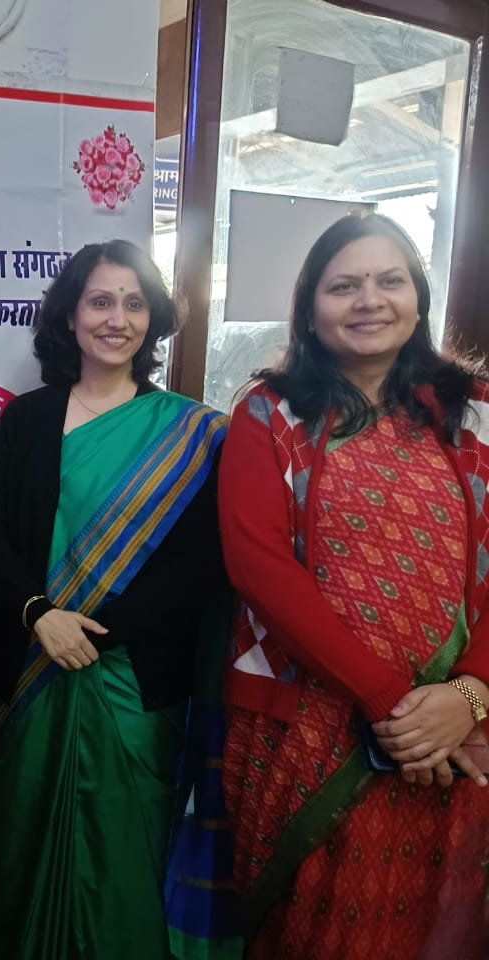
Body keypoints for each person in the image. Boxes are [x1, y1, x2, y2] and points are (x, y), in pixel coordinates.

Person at [219, 213, 489, 959]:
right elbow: (258, 567)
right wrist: (395, 709)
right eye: (344, 286)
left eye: (388, 281)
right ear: (310, 308)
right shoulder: (270, 415)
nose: (368, 300)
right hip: (307, 724)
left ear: (418, 297)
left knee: (437, 924)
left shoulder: (476, 413)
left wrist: (467, 696)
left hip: (457, 730)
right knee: (311, 932)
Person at [0, 239, 229, 958]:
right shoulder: (26, 418)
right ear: (71, 316)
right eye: (101, 301)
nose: (118, 319)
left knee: (125, 848)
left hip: (135, 678)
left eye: (135, 303)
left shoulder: (194, 433)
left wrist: (98, 633)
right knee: (23, 834)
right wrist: (41, 616)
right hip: (36, 658)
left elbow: (201, 568)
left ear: (154, 318)